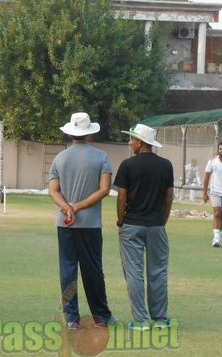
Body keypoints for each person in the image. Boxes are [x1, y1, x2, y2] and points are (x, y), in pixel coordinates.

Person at [48, 112, 114, 328]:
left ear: (70, 133)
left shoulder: (59, 158)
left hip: (65, 223)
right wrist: (78, 206)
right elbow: (104, 189)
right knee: (93, 269)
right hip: (90, 223)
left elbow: (53, 191)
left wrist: (66, 206)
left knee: (68, 270)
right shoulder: (101, 156)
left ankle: (72, 319)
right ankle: (101, 316)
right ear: (89, 134)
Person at [115, 124, 173, 327]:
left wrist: (121, 222)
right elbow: (168, 198)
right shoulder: (166, 165)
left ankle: (140, 320)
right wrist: (161, 221)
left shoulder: (128, 165)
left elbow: (121, 198)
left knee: (134, 272)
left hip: (132, 224)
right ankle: (159, 319)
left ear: (141, 142)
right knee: (158, 272)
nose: (130, 143)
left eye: (132, 139)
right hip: (157, 225)